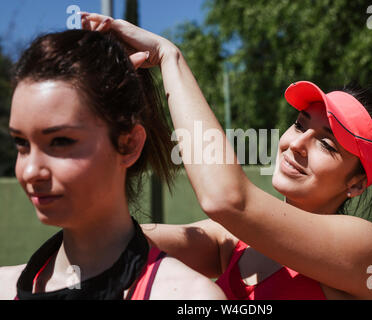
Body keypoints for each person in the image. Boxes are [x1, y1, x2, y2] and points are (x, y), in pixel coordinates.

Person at [81, 13, 372, 300]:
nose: (297, 144)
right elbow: (113, 244)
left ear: (356, 184)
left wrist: (169, 58)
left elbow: (226, 198)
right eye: (300, 125)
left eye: (327, 144)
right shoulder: (231, 240)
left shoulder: (371, 250)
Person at [0, 29, 225, 300]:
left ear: (129, 145)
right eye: (22, 143)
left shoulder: (186, 296)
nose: (30, 171)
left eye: (60, 141)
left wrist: (169, 56)